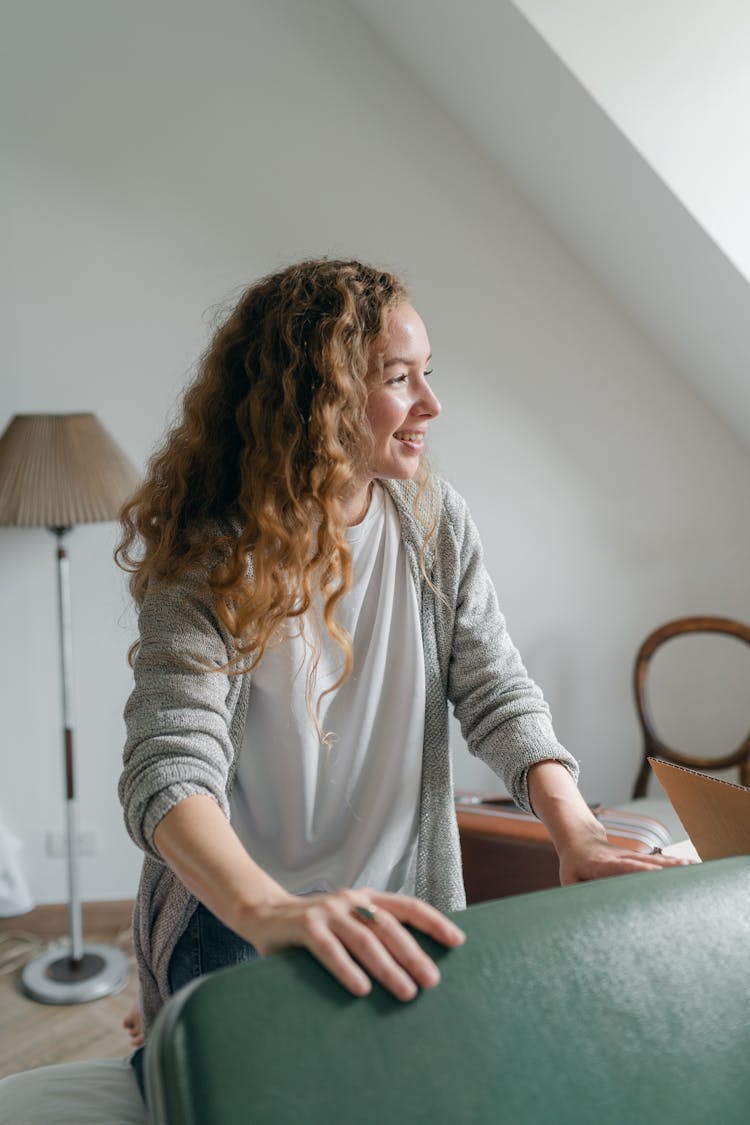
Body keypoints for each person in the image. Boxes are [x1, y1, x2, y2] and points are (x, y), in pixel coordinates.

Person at [117, 257, 683, 1094]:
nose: (431, 403)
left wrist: (580, 831)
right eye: (398, 377)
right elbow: (169, 766)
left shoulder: (432, 521)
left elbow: (496, 692)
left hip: (406, 905)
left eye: (428, 373)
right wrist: (268, 911)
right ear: (321, 397)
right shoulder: (210, 553)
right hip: (237, 921)